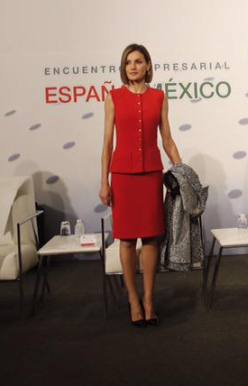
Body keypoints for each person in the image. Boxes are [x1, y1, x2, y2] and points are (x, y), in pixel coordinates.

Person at [100, 44, 181, 327]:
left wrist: (181, 170)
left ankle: (148, 300)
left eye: (138, 61)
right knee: (126, 239)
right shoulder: (113, 97)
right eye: (128, 62)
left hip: (150, 175)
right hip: (122, 176)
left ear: (148, 65)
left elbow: (167, 139)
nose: (132, 67)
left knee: (150, 238)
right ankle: (133, 301)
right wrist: (104, 181)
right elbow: (107, 143)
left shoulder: (159, 97)